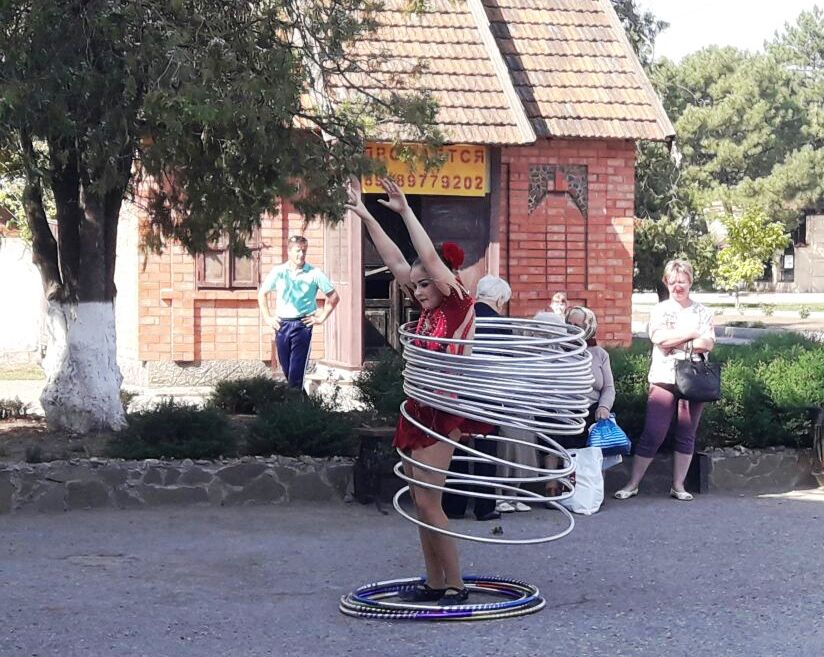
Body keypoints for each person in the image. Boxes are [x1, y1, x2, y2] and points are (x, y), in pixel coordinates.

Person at [346, 177, 489, 605]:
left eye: (426, 283)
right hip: (417, 407)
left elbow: (427, 258)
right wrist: (367, 215)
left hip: (443, 410)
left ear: (444, 279)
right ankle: (434, 582)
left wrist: (406, 210)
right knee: (418, 499)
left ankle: (456, 585)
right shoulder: (426, 308)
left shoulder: (458, 302)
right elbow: (397, 260)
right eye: (417, 285)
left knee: (429, 501)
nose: (418, 290)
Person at [614, 259, 715, 502]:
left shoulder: (703, 312)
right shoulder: (659, 310)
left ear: (690, 282)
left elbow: (708, 343)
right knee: (654, 433)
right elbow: (660, 339)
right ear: (666, 283)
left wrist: (677, 342)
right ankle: (633, 484)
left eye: (682, 281)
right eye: (673, 282)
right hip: (663, 377)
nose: (678, 286)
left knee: (687, 433)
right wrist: (691, 334)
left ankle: (678, 486)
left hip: (693, 379)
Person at [441, 275, 512, 521]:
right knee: (485, 452)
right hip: (487, 396)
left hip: (458, 394)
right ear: (500, 299)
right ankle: (484, 507)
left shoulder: (463, 318)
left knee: (457, 449)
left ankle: (454, 506)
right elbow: (507, 364)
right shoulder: (501, 325)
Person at [544, 306, 615, 497]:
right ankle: (552, 486)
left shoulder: (599, 354)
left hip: (589, 408)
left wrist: (604, 407)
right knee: (552, 425)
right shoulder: (557, 350)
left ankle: (591, 487)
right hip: (561, 408)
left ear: (588, 327)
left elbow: (608, 388)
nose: (572, 328)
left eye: (578, 325)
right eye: (569, 324)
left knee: (594, 428)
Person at [257, 235, 340, 391]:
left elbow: (334, 297)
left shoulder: (314, 273)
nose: (301, 254)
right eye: (297, 251)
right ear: (289, 251)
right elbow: (262, 293)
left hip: (302, 325)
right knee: (287, 371)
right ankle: (302, 403)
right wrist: (268, 317)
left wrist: (321, 318)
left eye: (304, 251)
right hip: (282, 325)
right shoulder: (279, 272)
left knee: (296, 374)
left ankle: (294, 403)